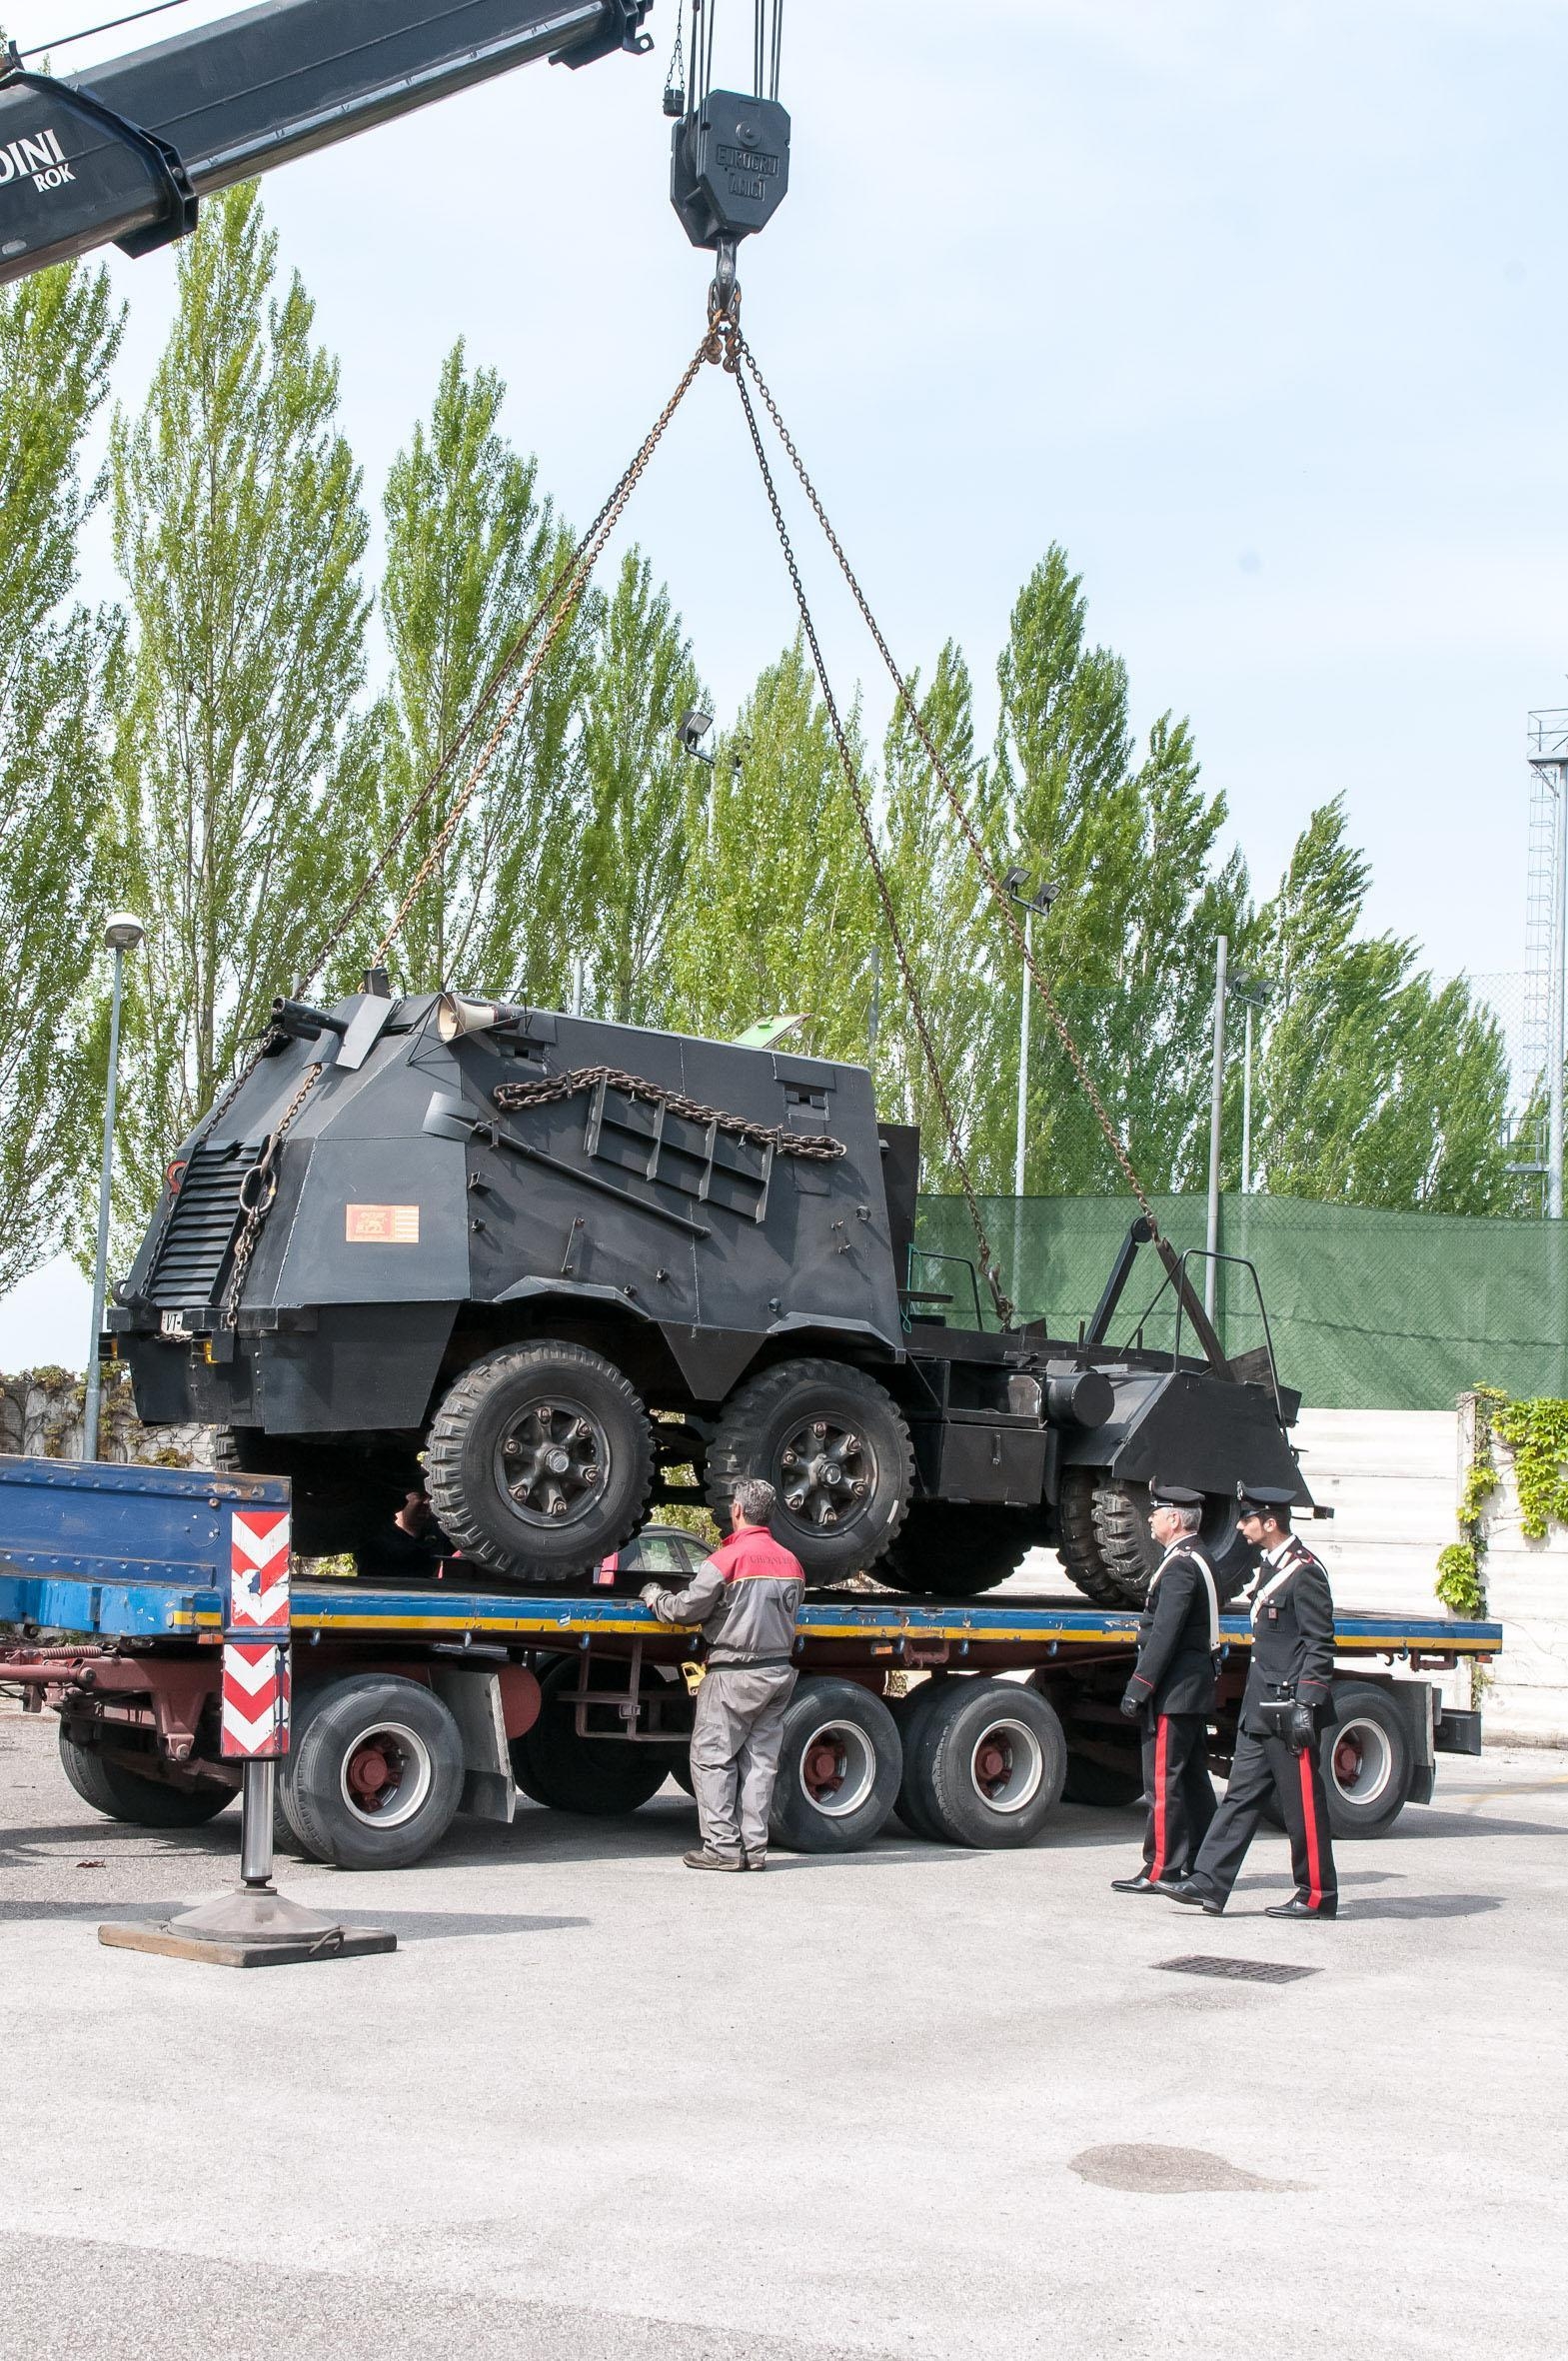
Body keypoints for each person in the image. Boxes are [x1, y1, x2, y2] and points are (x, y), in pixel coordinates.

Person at [1165, 1482, 1339, 1920]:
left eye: (1247, 1519)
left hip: (1288, 1710)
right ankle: (1210, 1882)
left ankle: (1317, 1893)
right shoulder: (1271, 1568)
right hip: (1260, 1707)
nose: (1240, 1526)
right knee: (1240, 1797)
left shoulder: (1306, 1572)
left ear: (1271, 1522)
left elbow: (1319, 1644)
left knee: (1302, 1806)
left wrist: (1307, 1703)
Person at [640, 1478, 804, 1872]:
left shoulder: (726, 1560)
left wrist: (654, 1597)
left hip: (733, 1673)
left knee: (712, 1758)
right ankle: (755, 1851)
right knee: (761, 1762)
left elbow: (686, 1610)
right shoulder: (792, 1563)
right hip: (778, 1673)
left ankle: (722, 1849)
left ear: (737, 1510)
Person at [1111, 1481, 1219, 1896]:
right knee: (1191, 1780)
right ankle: (1201, 1862)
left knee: (1163, 1782)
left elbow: (1164, 1635)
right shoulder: (1195, 1557)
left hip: (1174, 1690)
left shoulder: (1180, 1566)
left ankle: (1161, 1867)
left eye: (1155, 1512)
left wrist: (1140, 1687)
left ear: (1174, 1518)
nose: (1150, 1518)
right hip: (1189, 1688)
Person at [356, 1486, 452, 1580]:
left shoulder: (438, 1529)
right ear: (401, 1497)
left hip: (425, 1593)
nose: (427, 1502)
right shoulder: (375, 1529)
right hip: (378, 1593)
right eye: (420, 1495)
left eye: (430, 1497)